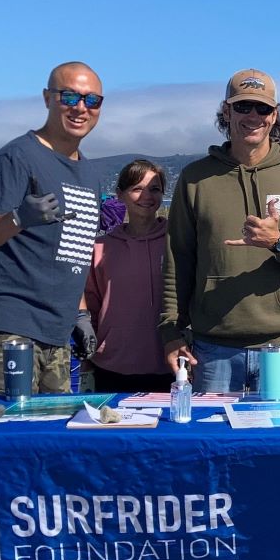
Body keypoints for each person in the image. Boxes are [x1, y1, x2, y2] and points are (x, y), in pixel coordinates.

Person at [161, 70, 280, 395]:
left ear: (275, 115)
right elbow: (176, 262)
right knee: (214, 446)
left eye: (262, 108)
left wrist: (278, 242)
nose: (253, 116)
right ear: (226, 111)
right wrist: (170, 332)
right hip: (212, 352)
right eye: (243, 107)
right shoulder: (195, 178)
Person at [0, 62, 104, 394]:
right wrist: (17, 218)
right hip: (8, 327)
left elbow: (73, 253)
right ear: (47, 98)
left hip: (57, 331)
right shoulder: (16, 158)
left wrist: (80, 315)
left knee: (50, 436)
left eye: (92, 100)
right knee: (7, 435)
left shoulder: (91, 174)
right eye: (69, 97)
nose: (80, 108)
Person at [85, 159, 171, 394]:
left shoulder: (178, 243)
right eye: (137, 188)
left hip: (169, 363)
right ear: (120, 195)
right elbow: (90, 307)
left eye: (154, 189)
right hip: (111, 365)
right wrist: (87, 357)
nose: (147, 196)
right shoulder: (100, 248)